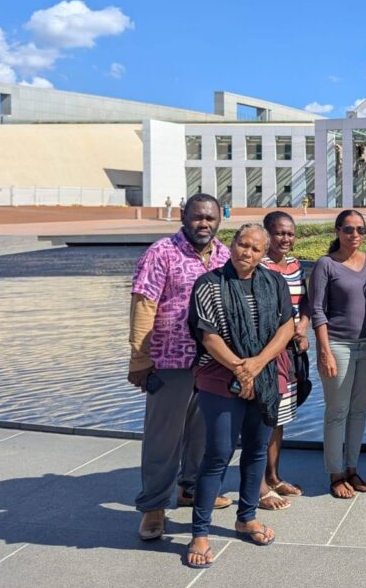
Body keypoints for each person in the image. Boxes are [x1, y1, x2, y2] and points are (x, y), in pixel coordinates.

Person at [185, 223, 295, 568]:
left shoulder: (273, 281)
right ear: (231, 245)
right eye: (242, 245)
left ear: (264, 254)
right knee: (217, 454)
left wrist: (257, 365)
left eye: (255, 249)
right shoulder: (209, 284)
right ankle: (200, 531)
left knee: (256, 449)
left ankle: (246, 516)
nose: (247, 253)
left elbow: (287, 326)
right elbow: (207, 335)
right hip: (219, 377)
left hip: (263, 377)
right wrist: (239, 368)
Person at [129, 193, 232, 542]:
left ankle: (190, 489)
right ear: (183, 217)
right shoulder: (162, 253)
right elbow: (143, 305)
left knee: (203, 434)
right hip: (169, 361)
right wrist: (140, 359)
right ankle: (154, 507)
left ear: (220, 220)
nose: (204, 224)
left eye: (211, 219)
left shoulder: (223, 254)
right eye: (198, 218)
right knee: (163, 438)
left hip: (213, 362)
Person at [309, 210, 366, 499]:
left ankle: (352, 468)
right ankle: (336, 473)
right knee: (337, 412)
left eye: (360, 230)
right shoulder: (326, 265)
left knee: (359, 411)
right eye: (349, 229)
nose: (355, 235)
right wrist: (324, 351)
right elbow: (317, 311)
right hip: (337, 347)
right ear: (338, 231)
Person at [256, 210, 311, 510]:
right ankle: (259, 485)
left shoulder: (295, 266)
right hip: (263, 351)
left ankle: (274, 477)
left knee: (280, 417)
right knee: (262, 415)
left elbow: (304, 304)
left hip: (289, 352)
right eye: (279, 233)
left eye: (290, 233)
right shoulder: (257, 264)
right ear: (267, 234)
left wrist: (302, 328)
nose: (285, 238)